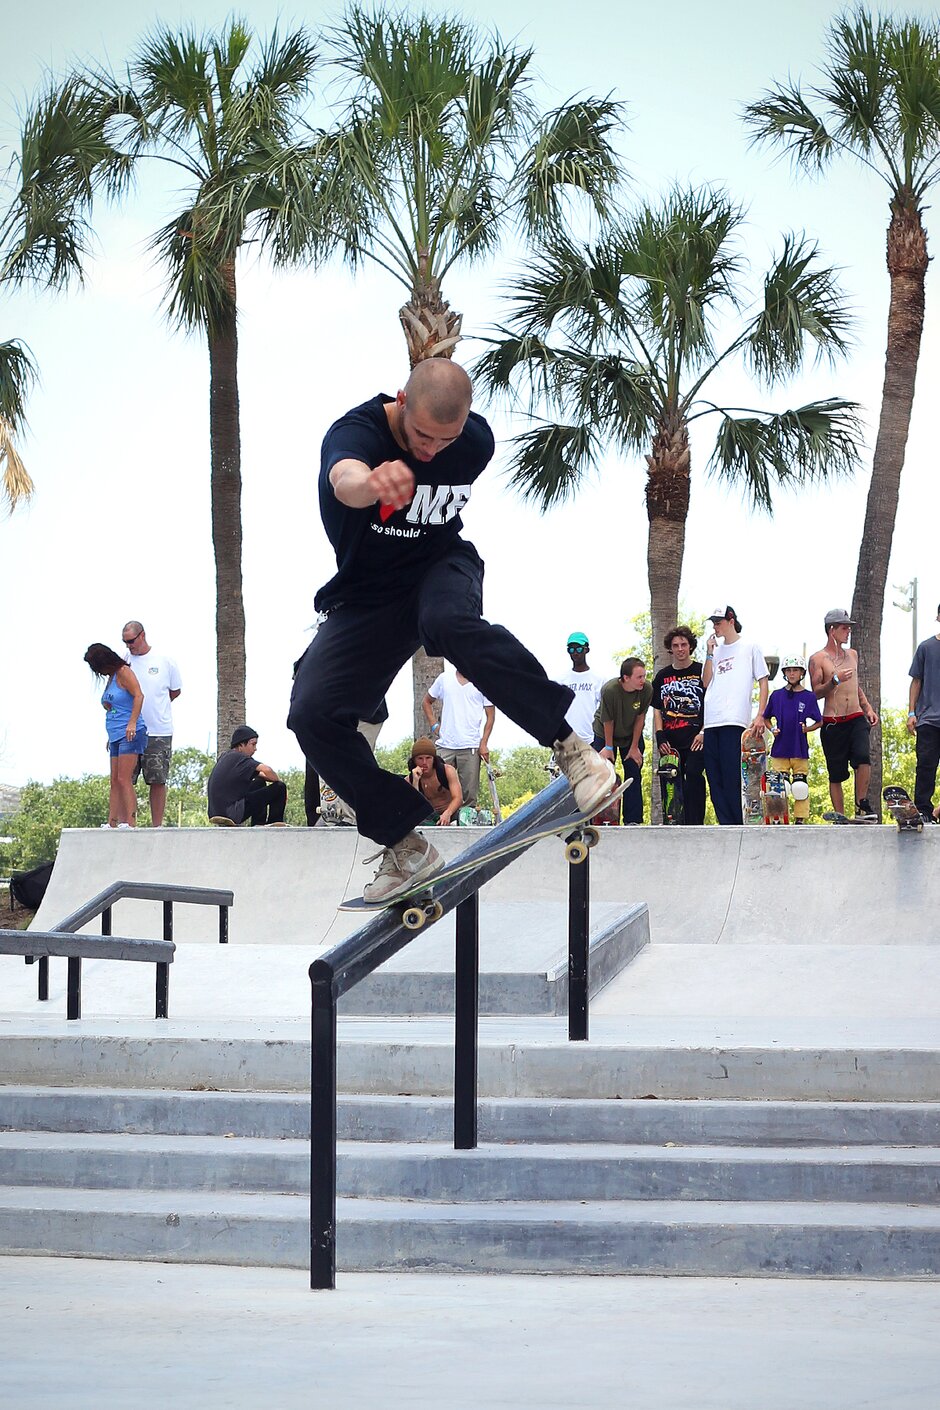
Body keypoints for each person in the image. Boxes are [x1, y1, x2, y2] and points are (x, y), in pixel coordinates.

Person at [287, 359, 616, 903]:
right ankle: (404, 844)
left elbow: (453, 426)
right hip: (368, 597)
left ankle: (572, 748)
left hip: (443, 567)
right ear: (400, 401)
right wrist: (370, 482)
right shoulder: (357, 433)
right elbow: (342, 478)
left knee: (448, 624)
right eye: (420, 436)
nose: (432, 450)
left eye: (446, 440)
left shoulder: (475, 441)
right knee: (310, 713)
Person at [702, 605, 769, 825]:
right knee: (714, 777)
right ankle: (724, 824)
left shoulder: (750, 647)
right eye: (713, 623)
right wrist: (709, 653)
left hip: (735, 720)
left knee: (732, 776)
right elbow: (706, 681)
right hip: (712, 720)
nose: (715, 626)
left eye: (719, 622)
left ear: (731, 621)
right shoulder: (716, 650)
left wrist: (760, 715)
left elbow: (763, 681)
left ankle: (737, 823)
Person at [809, 608, 878, 818]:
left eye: (849, 627)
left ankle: (861, 805)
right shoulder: (818, 658)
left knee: (863, 757)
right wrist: (834, 680)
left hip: (856, 717)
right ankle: (840, 815)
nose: (848, 631)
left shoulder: (853, 655)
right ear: (832, 630)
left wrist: (868, 708)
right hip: (833, 721)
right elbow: (816, 692)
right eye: (844, 628)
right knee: (836, 772)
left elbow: (855, 686)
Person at [122, 621, 182, 828]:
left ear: (142, 635)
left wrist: (156, 707)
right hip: (130, 730)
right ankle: (126, 823)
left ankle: (157, 826)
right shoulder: (124, 662)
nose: (129, 646)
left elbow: (175, 691)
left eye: (131, 641)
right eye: (125, 642)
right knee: (126, 779)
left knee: (157, 779)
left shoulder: (165, 660)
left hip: (158, 730)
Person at [84, 643, 148, 828]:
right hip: (114, 734)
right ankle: (112, 821)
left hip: (130, 732)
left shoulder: (123, 672)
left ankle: (131, 821)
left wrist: (132, 723)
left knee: (124, 778)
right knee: (114, 780)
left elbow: (138, 695)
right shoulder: (111, 677)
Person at [650, 626, 707, 825]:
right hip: (671, 742)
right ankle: (673, 821)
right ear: (670, 649)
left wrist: (703, 731)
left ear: (690, 646)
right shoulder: (662, 676)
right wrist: (659, 735)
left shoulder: (701, 671)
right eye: (676, 645)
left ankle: (695, 823)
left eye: (684, 644)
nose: (680, 649)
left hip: (696, 739)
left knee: (693, 775)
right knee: (670, 780)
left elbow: (711, 703)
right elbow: (657, 708)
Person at [422, 668, 494, 808]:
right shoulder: (445, 678)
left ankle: (464, 824)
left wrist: (483, 743)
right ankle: (434, 819)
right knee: (434, 784)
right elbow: (426, 701)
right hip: (445, 745)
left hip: (470, 746)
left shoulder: (483, 681)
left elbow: (490, 716)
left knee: (469, 793)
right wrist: (433, 725)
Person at [593, 658, 652, 825]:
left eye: (644, 676)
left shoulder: (646, 689)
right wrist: (609, 747)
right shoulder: (610, 690)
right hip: (605, 732)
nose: (643, 680)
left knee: (633, 770)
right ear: (626, 678)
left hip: (630, 733)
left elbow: (641, 718)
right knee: (603, 772)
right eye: (639, 677)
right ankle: (598, 817)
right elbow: (608, 720)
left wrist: (634, 747)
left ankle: (633, 819)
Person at [765, 655, 822, 824]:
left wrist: (807, 729)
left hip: (799, 748)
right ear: (784, 673)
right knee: (780, 788)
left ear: (802, 673)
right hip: (780, 748)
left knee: (799, 787)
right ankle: (778, 818)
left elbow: (819, 721)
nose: (792, 674)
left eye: (795, 670)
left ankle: (800, 819)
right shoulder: (776, 696)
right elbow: (766, 717)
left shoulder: (809, 697)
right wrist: (772, 728)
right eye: (789, 670)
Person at [207, 726, 287, 826]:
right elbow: (268, 770)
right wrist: (277, 782)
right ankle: (274, 822)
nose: (255, 749)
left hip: (216, 812)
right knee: (280, 787)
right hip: (232, 813)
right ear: (241, 745)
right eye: (253, 744)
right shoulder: (241, 758)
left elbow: (263, 775)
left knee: (259, 781)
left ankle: (259, 823)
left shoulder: (226, 756)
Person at [907, 601, 940, 823]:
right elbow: (916, 681)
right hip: (928, 719)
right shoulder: (926, 647)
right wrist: (911, 713)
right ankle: (924, 811)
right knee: (926, 766)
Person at [554, 632, 604, 743]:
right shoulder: (560, 680)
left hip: (591, 739)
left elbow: (606, 710)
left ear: (587, 649)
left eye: (579, 649)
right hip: (565, 739)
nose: (575, 653)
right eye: (571, 650)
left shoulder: (598, 679)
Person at [407, 736, 462, 826]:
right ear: (414, 760)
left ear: (433, 759)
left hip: (451, 814)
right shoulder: (410, 780)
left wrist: (447, 813)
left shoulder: (447, 771)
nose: (424, 762)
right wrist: (415, 782)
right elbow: (414, 808)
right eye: (420, 758)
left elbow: (458, 798)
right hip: (430, 819)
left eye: (428, 758)